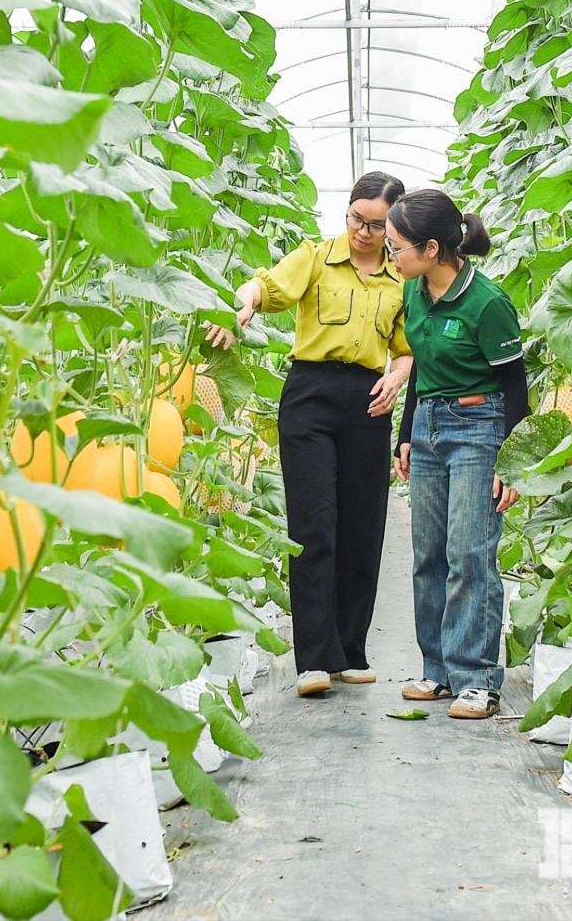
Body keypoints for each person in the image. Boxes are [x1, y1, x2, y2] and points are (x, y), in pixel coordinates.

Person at [206, 172, 414, 698]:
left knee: (363, 527)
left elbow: (406, 347)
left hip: (369, 401)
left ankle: (351, 652)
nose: (364, 232)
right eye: (356, 219)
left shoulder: (400, 280)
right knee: (315, 523)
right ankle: (314, 659)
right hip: (311, 396)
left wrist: (396, 376)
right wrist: (245, 304)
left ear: (393, 224)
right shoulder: (316, 256)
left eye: (376, 224)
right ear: (345, 212)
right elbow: (267, 285)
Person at [386, 189, 528, 720]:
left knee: (469, 553)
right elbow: (420, 366)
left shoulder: (487, 303)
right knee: (429, 554)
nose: (390, 255)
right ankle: (438, 670)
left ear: (430, 247)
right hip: (428, 425)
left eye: (397, 247)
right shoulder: (415, 291)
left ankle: (476, 679)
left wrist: (512, 463)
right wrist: (406, 433)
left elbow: (516, 385)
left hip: (479, 428)